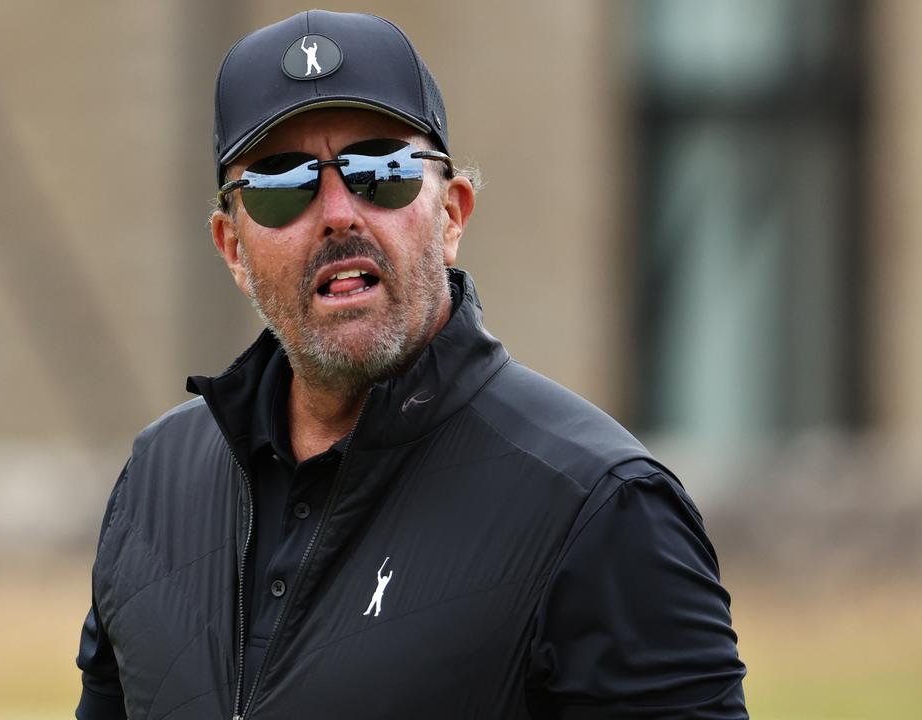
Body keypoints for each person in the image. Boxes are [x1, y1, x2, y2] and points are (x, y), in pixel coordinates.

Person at [76, 10, 746, 720]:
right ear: (233, 248)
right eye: (281, 184)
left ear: (452, 214)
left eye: (382, 171)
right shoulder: (154, 485)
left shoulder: (601, 508)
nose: (338, 213)